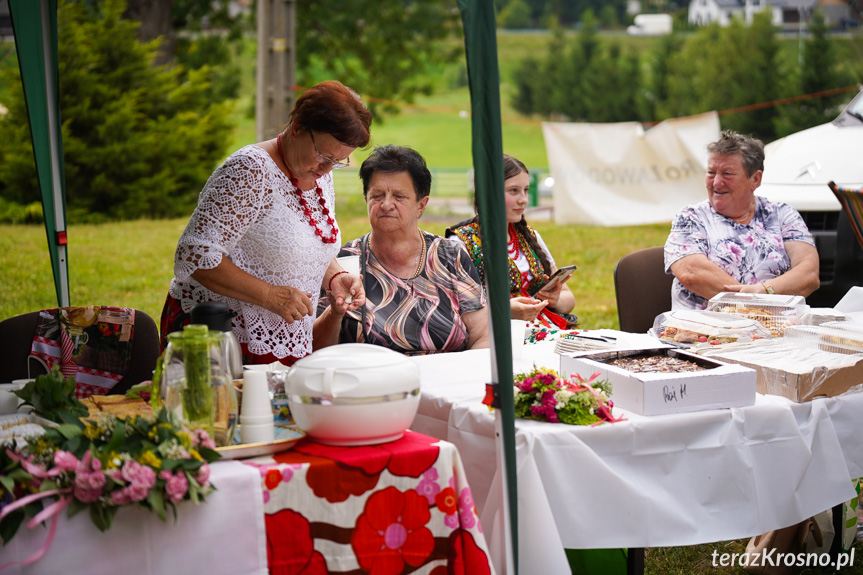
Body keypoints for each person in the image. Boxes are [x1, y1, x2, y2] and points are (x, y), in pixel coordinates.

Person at [160, 81, 372, 365]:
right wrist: (270, 296)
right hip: (221, 336)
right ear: (297, 127)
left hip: (280, 339)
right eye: (323, 155)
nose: (326, 168)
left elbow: (307, 241)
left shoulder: (318, 172)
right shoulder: (249, 170)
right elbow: (195, 255)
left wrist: (334, 277)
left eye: (338, 161)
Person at [314, 145, 489, 354]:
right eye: (377, 195)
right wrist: (334, 313)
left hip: (446, 380)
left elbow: (482, 336)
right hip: (371, 382)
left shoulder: (451, 256)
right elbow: (316, 350)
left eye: (399, 196)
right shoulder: (342, 263)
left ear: (421, 205)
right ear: (366, 200)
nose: (386, 204)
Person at [665, 130, 820, 310]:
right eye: (711, 172)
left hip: (776, 330)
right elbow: (691, 273)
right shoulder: (691, 217)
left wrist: (764, 291)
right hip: (705, 331)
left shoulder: (782, 214)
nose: (716, 182)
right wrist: (754, 306)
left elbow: (809, 274)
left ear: (755, 179)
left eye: (727, 174)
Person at [446, 154, 577, 327]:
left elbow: (569, 299)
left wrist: (554, 299)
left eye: (526, 190)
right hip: (496, 339)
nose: (523, 199)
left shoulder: (530, 236)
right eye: (513, 191)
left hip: (545, 330)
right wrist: (504, 310)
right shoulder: (461, 242)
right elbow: (453, 308)